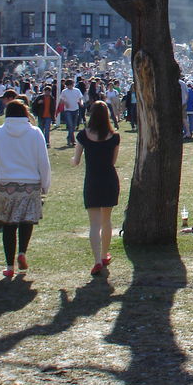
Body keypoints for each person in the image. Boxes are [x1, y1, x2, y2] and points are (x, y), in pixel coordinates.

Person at [0, 99, 51, 278]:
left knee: (8, 225)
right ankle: (22, 252)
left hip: (6, 185)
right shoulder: (35, 132)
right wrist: (45, 185)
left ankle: (9, 265)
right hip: (30, 184)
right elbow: (43, 162)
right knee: (26, 221)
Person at [71, 101, 121, 277]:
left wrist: (74, 159)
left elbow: (76, 160)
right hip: (109, 179)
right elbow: (113, 161)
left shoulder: (83, 136)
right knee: (106, 221)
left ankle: (97, 260)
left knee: (94, 224)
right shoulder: (114, 137)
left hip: (92, 180)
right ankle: (104, 254)